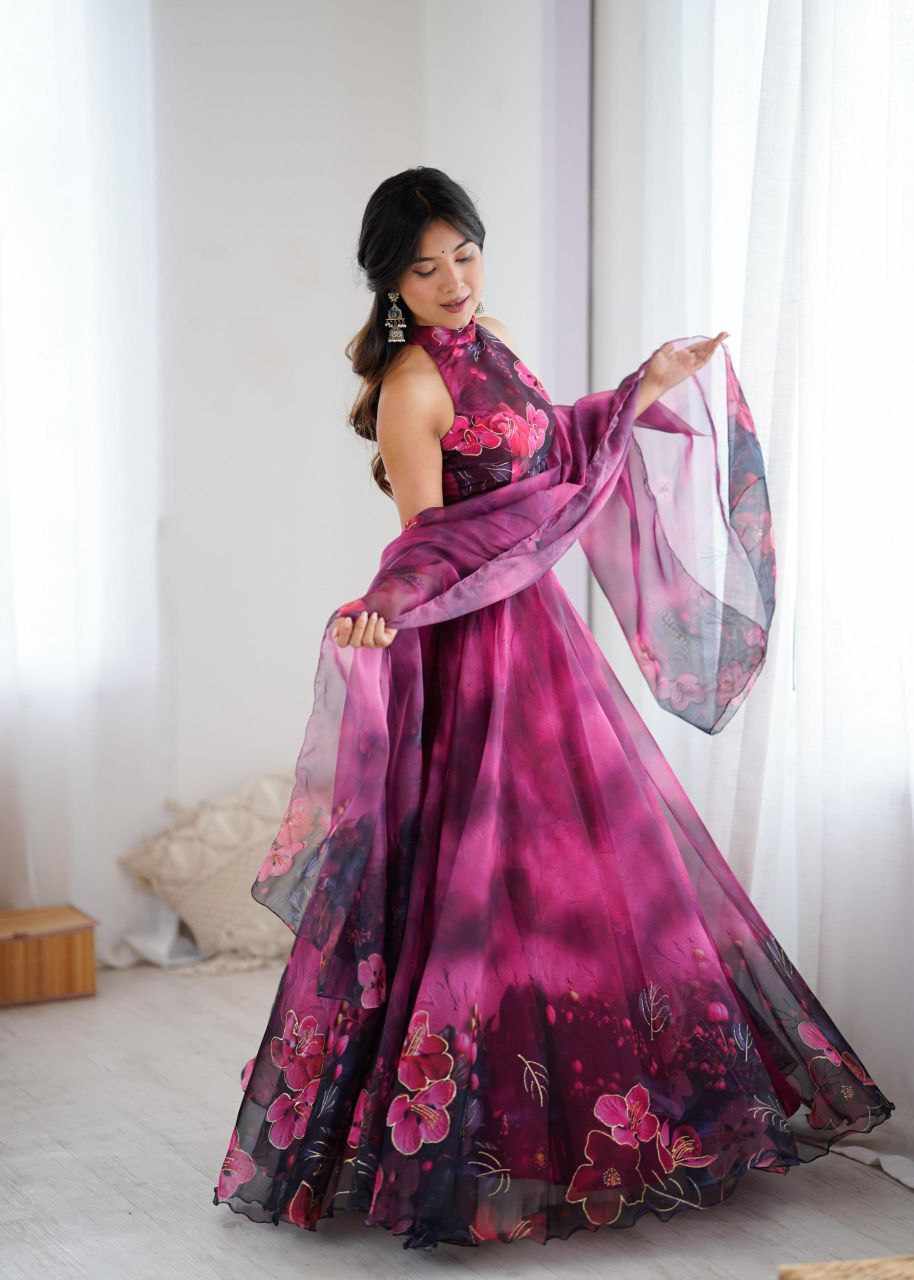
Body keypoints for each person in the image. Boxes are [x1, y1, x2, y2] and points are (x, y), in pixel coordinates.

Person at [213, 167, 894, 1250]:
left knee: (581, 870)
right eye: (426, 268)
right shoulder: (409, 388)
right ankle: (474, 1145)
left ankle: (617, 1123)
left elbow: (555, 444)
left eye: (465, 255)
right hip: (471, 650)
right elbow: (430, 540)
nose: (454, 281)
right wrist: (384, 606)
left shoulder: (489, 347)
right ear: (390, 282)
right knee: (476, 884)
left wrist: (644, 384)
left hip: (538, 638)